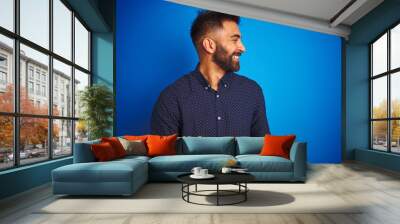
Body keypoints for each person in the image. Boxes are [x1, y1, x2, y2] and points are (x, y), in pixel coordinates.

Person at [151, 10, 270, 137]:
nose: (243, 48)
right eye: (234, 40)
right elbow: (164, 156)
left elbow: (265, 153)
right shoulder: (171, 98)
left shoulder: (252, 92)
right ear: (209, 45)